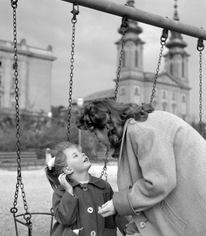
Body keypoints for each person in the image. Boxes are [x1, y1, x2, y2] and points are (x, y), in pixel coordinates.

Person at [76, 98, 206, 236]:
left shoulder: (141, 129)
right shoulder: (140, 126)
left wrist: (117, 204)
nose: (98, 140)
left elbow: (160, 182)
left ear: (107, 126)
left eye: (96, 134)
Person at [45, 142, 130, 236]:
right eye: (76, 155)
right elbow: (65, 219)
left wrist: (126, 226)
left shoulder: (103, 186)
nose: (83, 154)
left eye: (81, 152)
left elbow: (115, 210)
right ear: (68, 169)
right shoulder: (61, 192)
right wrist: (69, 192)